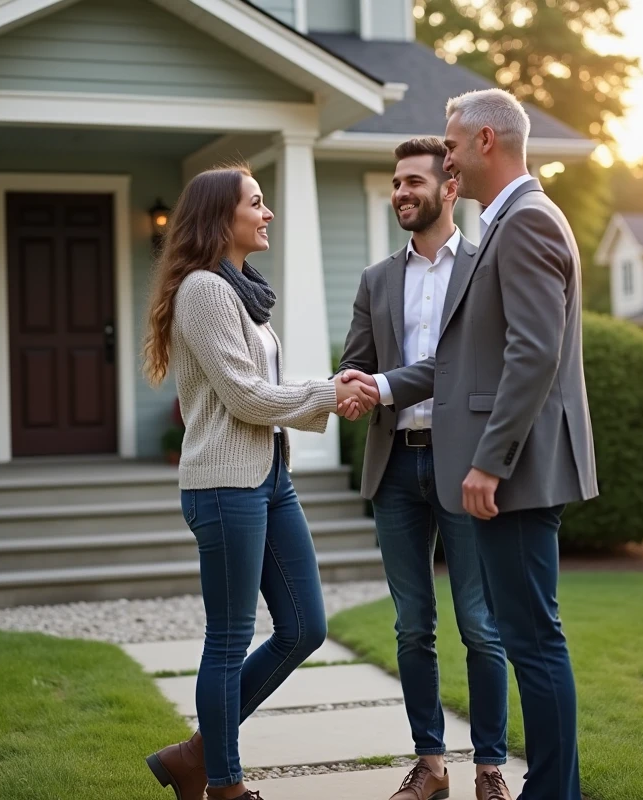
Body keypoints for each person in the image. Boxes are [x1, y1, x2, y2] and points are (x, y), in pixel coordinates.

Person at [341, 89, 599, 800]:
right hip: (490, 466)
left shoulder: (524, 224)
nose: (445, 155)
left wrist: (487, 461)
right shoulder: (515, 220)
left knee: (532, 642)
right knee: (530, 638)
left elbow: (533, 355)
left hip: (516, 472)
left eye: (451, 144)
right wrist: (385, 386)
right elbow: (464, 360)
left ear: (486, 140)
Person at [142, 165, 379, 800]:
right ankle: (222, 782)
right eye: (256, 202)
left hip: (270, 481)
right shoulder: (203, 291)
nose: (267, 212)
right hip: (224, 486)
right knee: (228, 638)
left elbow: (259, 390)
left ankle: (196, 755)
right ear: (223, 217)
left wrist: (328, 392)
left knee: (304, 626)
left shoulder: (237, 289)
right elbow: (246, 397)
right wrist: (327, 393)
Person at [336, 136, 510, 800]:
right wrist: (347, 391)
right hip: (396, 471)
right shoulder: (377, 279)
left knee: (479, 623)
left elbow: (472, 370)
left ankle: (490, 767)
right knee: (413, 625)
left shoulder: (485, 267)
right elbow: (356, 361)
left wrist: (377, 385)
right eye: (396, 183)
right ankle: (431, 764)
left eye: (414, 181)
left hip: (464, 467)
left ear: (450, 188)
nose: (402, 192)